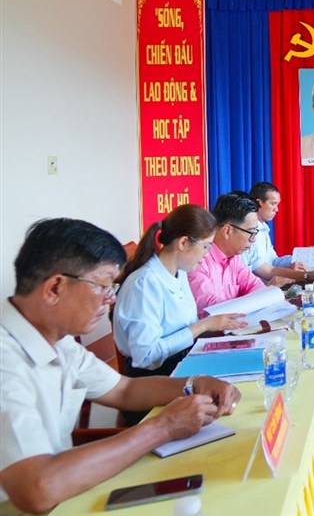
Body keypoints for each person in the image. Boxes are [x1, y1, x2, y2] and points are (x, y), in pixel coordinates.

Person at [0, 219, 240, 515]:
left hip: (69, 493)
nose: (111, 299)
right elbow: (36, 490)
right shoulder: (6, 361)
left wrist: (195, 383)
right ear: (55, 288)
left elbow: (123, 389)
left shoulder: (58, 341)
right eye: (103, 286)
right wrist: (163, 427)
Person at [113, 204, 245, 384]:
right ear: (183, 243)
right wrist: (204, 325)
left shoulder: (180, 272)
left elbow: (185, 328)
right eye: (206, 246)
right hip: (154, 379)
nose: (207, 255)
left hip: (183, 361)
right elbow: (146, 356)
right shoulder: (144, 284)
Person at [188, 192, 266, 316]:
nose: (254, 239)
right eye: (251, 232)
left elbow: (256, 286)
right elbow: (211, 308)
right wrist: (249, 305)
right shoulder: (198, 260)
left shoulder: (234, 259)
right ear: (227, 231)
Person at [240, 181, 313, 286]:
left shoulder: (263, 228)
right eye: (273, 204)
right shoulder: (246, 233)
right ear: (258, 203)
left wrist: (301, 257)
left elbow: (272, 263)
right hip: (261, 288)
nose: (277, 209)